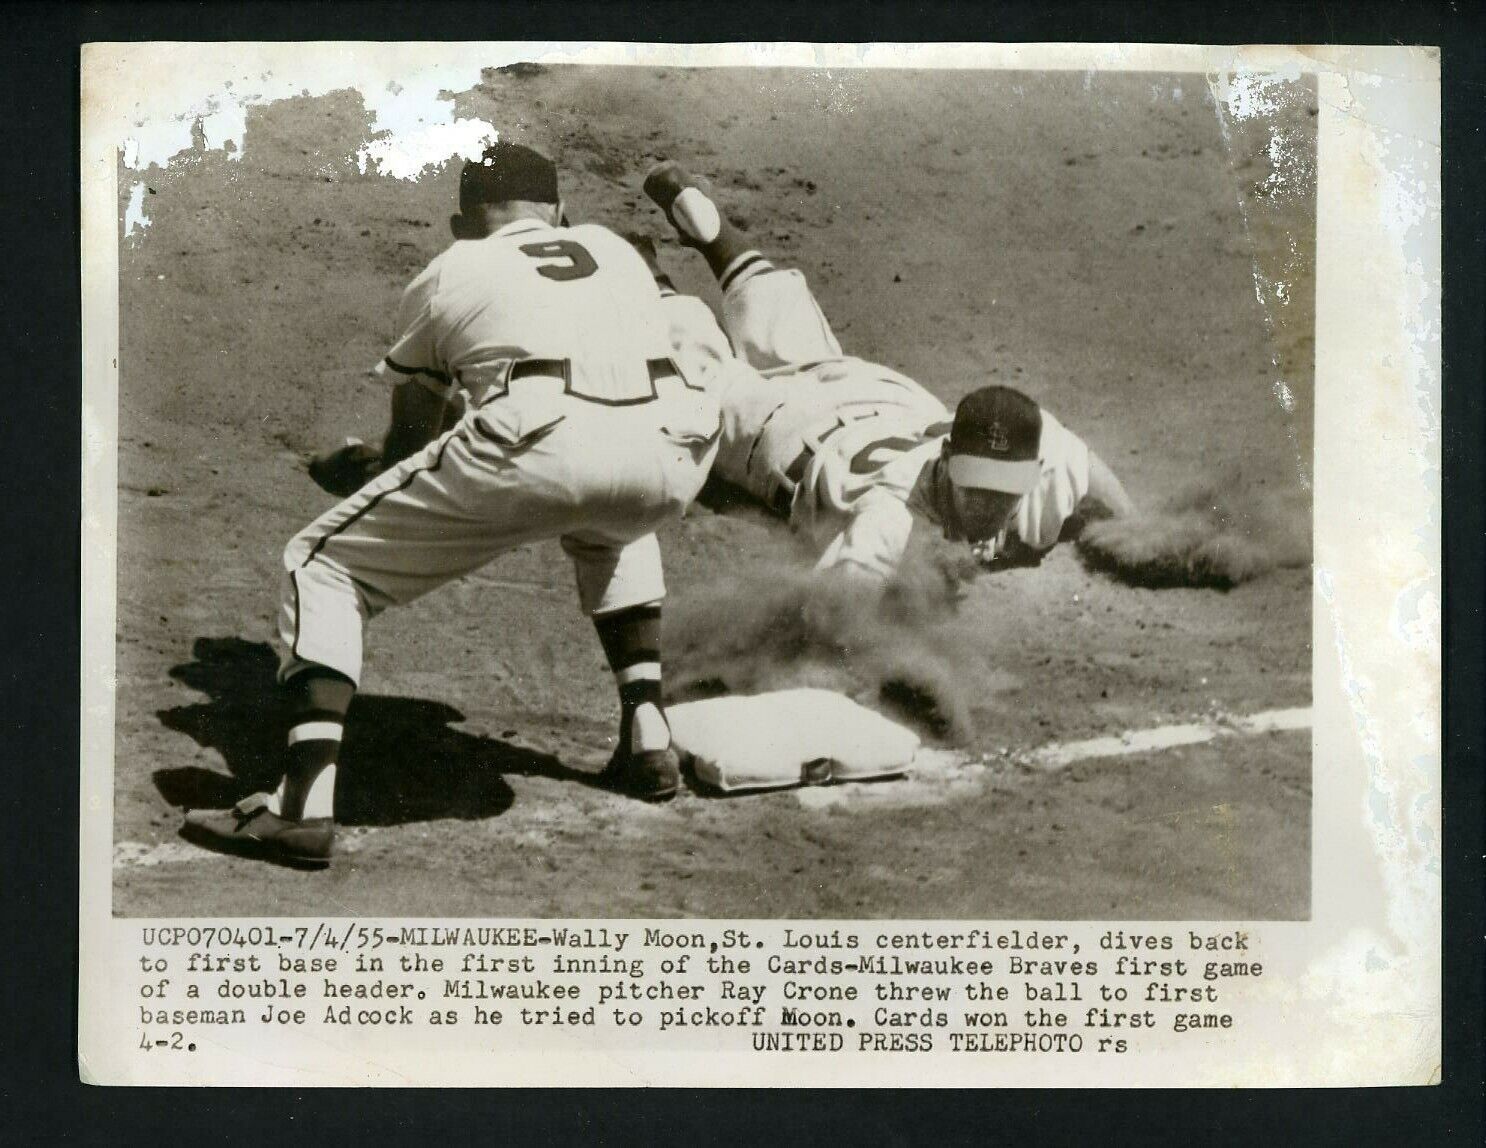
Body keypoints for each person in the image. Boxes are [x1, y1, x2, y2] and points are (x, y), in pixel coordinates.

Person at [184, 143, 721, 867]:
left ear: (462, 223)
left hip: (537, 442)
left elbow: (413, 442)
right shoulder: (615, 249)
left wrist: (362, 470)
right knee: (613, 517)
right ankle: (647, 733)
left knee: (320, 564)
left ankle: (301, 807)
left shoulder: (450, 269)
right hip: (677, 446)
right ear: (559, 213)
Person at [642, 161, 1136, 583]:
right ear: (944, 461)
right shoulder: (891, 522)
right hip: (785, 433)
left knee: (802, 346)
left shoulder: (1036, 469)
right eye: (977, 487)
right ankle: (644, 269)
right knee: (700, 372)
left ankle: (706, 226)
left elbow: (1077, 461)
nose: (989, 505)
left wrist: (1136, 529)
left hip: (880, 403)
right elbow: (838, 607)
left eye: (1001, 492)